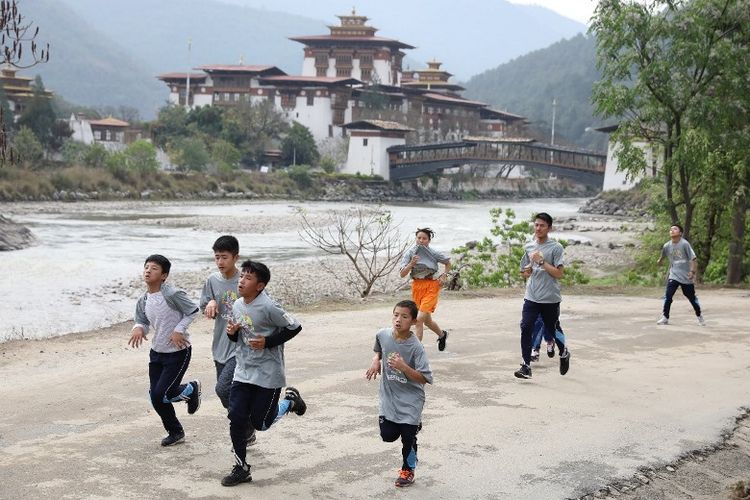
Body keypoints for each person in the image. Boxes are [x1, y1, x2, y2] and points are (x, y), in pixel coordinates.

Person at [221, 260, 306, 487]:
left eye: (248, 278)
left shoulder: (269, 307)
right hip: (243, 370)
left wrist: (268, 341)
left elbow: (295, 327)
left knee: (261, 423)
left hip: (268, 373)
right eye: (242, 277)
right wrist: (232, 333)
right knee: (236, 416)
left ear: (260, 286)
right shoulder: (238, 305)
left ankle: (290, 402)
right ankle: (241, 468)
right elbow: (238, 338)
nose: (242, 281)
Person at [128, 254, 201, 447]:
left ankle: (191, 388)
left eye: (154, 268)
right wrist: (138, 329)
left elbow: (193, 311)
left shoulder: (172, 294)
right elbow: (142, 322)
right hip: (157, 352)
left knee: (161, 393)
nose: (148, 271)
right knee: (156, 397)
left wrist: (179, 330)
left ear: (164, 275)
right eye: (146, 267)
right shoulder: (143, 300)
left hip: (178, 351)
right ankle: (175, 432)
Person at [365, 300, 433, 488]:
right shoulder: (383, 334)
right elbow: (379, 346)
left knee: (408, 438)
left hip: (412, 399)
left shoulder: (416, 347)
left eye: (404, 317)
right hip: (389, 397)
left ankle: (407, 470)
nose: (398, 320)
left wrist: (403, 367)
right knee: (387, 435)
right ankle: (413, 426)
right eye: (395, 315)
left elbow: (425, 378)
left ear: (412, 321)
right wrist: (375, 360)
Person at [200, 235, 256, 446]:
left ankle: (244, 428)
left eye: (224, 257)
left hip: (242, 348)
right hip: (220, 346)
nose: (220, 262)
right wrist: (211, 303)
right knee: (228, 396)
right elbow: (203, 305)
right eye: (216, 257)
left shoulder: (247, 280)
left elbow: (261, 309)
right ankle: (248, 426)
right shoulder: (212, 281)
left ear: (236, 257)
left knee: (223, 389)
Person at [514, 213, 570, 379]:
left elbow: (559, 273)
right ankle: (525, 366)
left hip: (550, 298)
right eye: (536, 225)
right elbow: (524, 272)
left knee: (551, 329)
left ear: (549, 228)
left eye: (542, 225)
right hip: (531, 296)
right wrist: (527, 271)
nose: (538, 228)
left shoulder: (556, 248)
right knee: (525, 327)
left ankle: (564, 352)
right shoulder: (529, 246)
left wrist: (540, 262)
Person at [399, 228, 451, 351]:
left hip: (432, 286)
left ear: (429, 240)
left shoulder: (433, 253)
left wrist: (444, 275)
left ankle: (416, 349)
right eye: (419, 238)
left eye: (424, 238)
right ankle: (442, 335)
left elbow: (448, 263)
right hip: (417, 287)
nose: (421, 241)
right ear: (416, 239)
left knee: (418, 319)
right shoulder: (410, 253)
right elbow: (402, 274)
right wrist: (411, 264)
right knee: (427, 321)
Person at [656, 224, 705, 326]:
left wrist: (692, 272)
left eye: (675, 229)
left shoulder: (684, 244)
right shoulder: (667, 246)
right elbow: (662, 255)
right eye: (671, 229)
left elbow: (693, 259)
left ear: (680, 233)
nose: (672, 230)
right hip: (674, 274)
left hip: (686, 276)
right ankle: (665, 317)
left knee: (691, 297)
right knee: (668, 295)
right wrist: (660, 261)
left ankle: (699, 316)